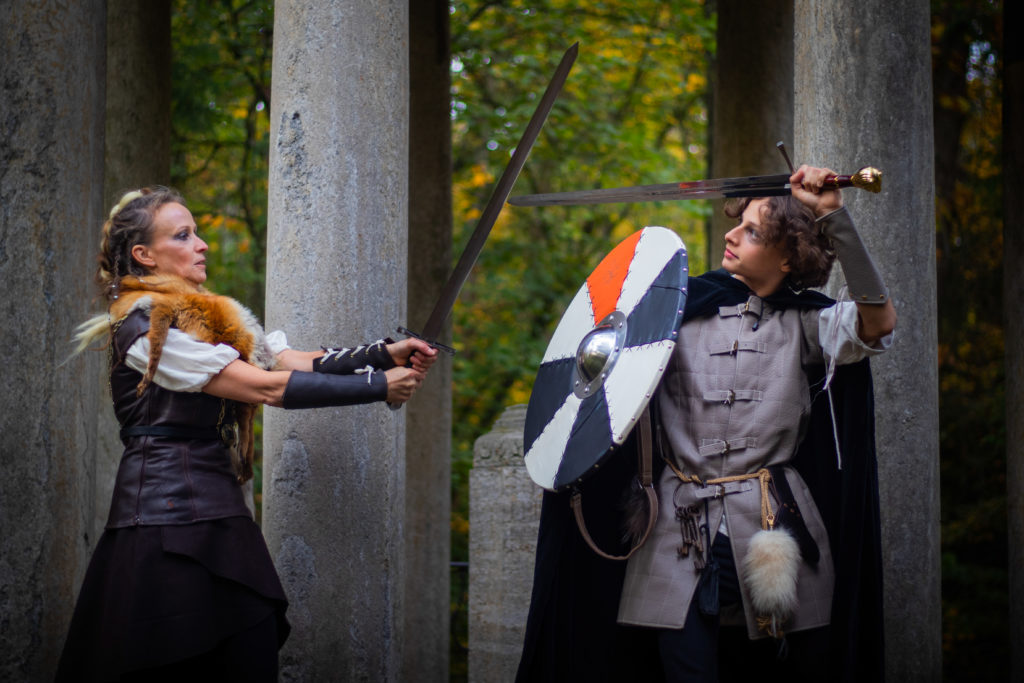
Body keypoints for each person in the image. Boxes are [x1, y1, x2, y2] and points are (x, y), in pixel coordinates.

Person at [517, 165, 896, 682]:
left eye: (753, 231)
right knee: (683, 671)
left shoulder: (808, 324)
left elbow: (877, 322)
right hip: (677, 525)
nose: (731, 234)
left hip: (773, 523)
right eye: (739, 222)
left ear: (788, 258)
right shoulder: (667, 319)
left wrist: (834, 216)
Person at [56, 187, 437, 682]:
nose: (203, 243)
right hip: (162, 527)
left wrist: (383, 354)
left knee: (247, 652)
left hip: (219, 515)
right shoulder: (146, 328)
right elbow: (266, 386)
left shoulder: (208, 319)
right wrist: (378, 386)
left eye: (197, 232)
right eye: (183, 235)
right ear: (143, 255)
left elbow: (287, 360)